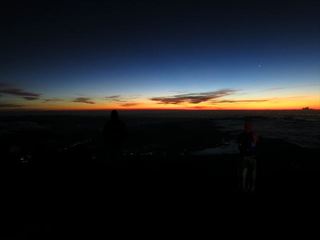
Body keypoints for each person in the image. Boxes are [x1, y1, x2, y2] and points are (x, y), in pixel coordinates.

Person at [238, 118, 258, 192]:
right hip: (250, 156)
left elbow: (239, 146)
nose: (248, 127)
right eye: (248, 125)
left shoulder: (242, 135)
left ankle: (247, 187)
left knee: (246, 172)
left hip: (248, 156)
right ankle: (249, 187)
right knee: (249, 172)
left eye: (248, 125)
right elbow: (255, 144)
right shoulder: (253, 134)